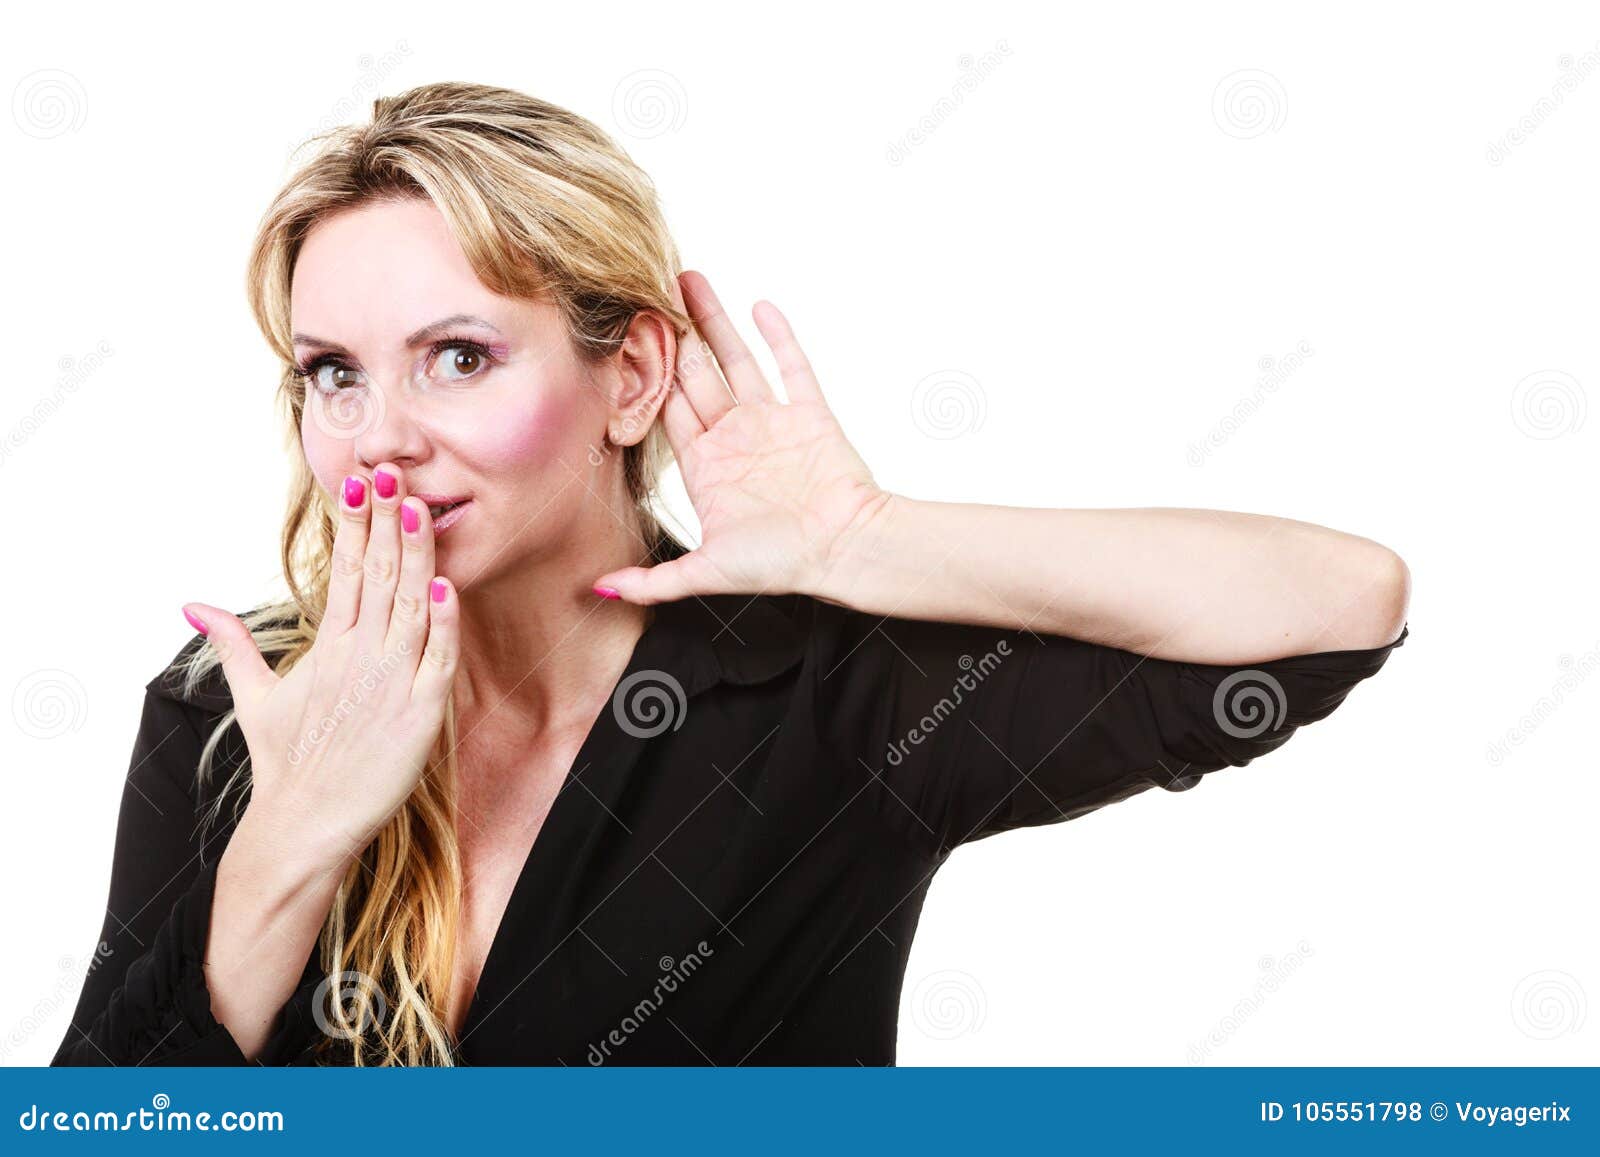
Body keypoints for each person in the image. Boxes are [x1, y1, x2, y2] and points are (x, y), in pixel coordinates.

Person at [52, 82, 1410, 1067]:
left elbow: (1334, 602)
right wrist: (288, 842)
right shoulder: (237, 713)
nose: (381, 434)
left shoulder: (822, 695)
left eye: (458, 355)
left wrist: (867, 540)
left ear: (630, 375)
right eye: (333, 374)